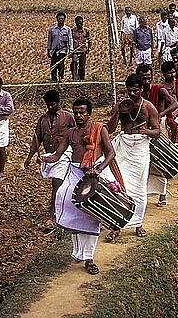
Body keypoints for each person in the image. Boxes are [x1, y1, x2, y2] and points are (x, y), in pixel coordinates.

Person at [41, 97, 116, 274]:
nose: (79, 115)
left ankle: (89, 258)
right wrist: (44, 158)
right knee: (68, 204)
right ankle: (77, 251)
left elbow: (111, 153)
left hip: (92, 175)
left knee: (92, 215)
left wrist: (98, 169)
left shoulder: (99, 129)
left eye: (82, 112)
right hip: (74, 172)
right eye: (76, 112)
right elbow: (57, 156)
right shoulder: (70, 133)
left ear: (89, 113)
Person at [106, 74, 161, 239]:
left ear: (142, 89)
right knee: (119, 183)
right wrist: (117, 111)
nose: (132, 93)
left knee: (138, 187)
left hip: (140, 149)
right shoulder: (121, 105)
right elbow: (109, 129)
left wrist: (146, 132)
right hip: (124, 144)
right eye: (129, 90)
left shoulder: (149, 107)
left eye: (135, 90)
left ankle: (138, 224)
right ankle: (117, 225)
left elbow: (157, 132)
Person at [24, 90, 75, 232]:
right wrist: (29, 157)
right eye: (48, 105)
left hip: (65, 155)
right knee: (60, 185)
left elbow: (77, 134)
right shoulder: (43, 120)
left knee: (57, 183)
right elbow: (37, 139)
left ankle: (52, 216)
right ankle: (62, 210)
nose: (50, 107)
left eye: (53, 104)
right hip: (49, 156)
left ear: (58, 103)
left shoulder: (68, 117)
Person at [136, 63, 178, 206]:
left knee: (160, 160)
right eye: (143, 78)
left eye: (148, 77)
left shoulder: (159, 90)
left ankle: (163, 194)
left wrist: (160, 114)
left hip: (159, 128)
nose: (146, 80)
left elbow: (174, 104)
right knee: (145, 163)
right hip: (143, 132)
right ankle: (144, 193)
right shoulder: (138, 94)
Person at [47, 12, 73, 82]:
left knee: (61, 63)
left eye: (62, 19)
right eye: (59, 19)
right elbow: (49, 40)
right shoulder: (52, 29)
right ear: (57, 19)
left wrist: (71, 50)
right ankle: (54, 78)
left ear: (64, 19)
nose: (61, 20)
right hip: (54, 50)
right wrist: (48, 50)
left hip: (63, 49)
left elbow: (70, 39)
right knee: (53, 64)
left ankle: (61, 77)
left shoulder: (67, 29)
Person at [71, 16, 91, 81]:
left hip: (83, 50)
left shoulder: (86, 31)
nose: (79, 24)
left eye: (81, 23)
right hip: (75, 50)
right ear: (75, 23)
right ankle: (75, 77)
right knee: (74, 61)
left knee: (82, 64)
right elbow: (70, 40)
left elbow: (89, 40)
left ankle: (81, 78)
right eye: (78, 23)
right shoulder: (72, 31)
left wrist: (89, 48)